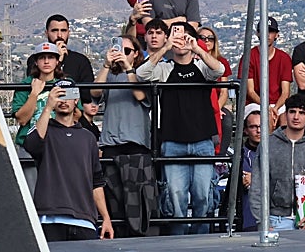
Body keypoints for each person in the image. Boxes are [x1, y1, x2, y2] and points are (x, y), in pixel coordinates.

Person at [137, 21, 224, 234]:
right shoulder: (165, 69)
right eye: (176, 36)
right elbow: (142, 74)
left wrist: (197, 49)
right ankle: (179, 243)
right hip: (173, 142)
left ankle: (202, 242)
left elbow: (219, 69)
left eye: (186, 36)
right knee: (175, 197)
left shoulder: (201, 66)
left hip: (202, 140)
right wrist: (166, 48)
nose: (181, 40)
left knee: (203, 195)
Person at [24, 79, 114, 241]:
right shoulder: (44, 131)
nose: (63, 101)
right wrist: (48, 107)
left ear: (76, 100)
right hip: (49, 218)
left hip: (84, 220)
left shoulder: (88, 138)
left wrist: (106, 218)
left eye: (68, 95)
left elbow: (96, 181)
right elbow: (31, 144)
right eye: (59, 95)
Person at [94, 36, 157, 236]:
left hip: (136, 143)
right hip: (111, 142)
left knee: (138, 199)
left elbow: (139, 95)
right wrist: (106, 64)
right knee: (114, 197)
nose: (121, 54)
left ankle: (138, 239)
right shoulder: (109, 75)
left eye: (127, 51)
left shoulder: (142, 74)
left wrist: (129, 68)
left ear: (136, 53)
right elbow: (94, 92)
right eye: (117, 49)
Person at [250, 93, 305, 231]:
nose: (296, 117)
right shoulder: (268, 144)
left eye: (302, 113)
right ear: (285, 114)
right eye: (292, 112)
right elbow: (257, 186)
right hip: (275, 220)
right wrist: (263, 221)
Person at [238, 16, 292, 132]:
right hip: (254, 103)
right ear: (258, 33)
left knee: (286, 120)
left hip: (278, 104)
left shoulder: (284, 58)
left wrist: (275, 108)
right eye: (264, 30)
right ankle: (265, 150)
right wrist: (267, 108)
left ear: (276, 35)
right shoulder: (249, 57)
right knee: (265, 120)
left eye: (271, 31)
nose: (267, 35)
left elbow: (285, 92)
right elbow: (250, 91)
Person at [29, 14, 94, 102]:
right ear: (46, 33)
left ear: (69, 33)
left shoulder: (81, 61)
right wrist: (57, 59)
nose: (59, 35)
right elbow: (34, 83)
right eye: (54, 31)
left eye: (63, 31)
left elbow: (87, 95)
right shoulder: (35, 60)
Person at [198, 25, 233, 155]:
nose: (206, 41)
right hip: (198, 105)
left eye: (210, 38)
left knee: (227, 121)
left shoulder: (221, 62)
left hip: (216, 105)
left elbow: (224, 92)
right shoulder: (191, 60)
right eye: (202, 38)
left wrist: (216, 110)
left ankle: (221, 156)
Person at [237, 105, 261, 231]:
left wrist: (255, 179)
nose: (258, 130)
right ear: (245, 130)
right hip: (249, 220)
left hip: (275, 220)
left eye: (262, 126)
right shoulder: (240, 156)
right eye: (253, 127)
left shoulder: (276, 152)